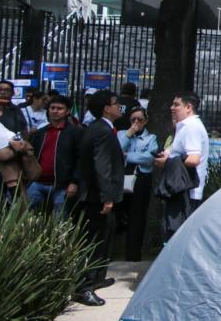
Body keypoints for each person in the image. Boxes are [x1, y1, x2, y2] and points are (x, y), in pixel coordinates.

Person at [74, 90, 125, 307]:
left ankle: (97, 278)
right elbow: (102, 165)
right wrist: (107, 197)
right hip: (98, 196)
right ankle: (83, 287)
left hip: (99, 194)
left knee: (107, 235)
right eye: (116, 103)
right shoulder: (102, 131)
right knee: (95, 240)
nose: (119, 107)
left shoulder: (100, 128)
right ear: (106, 107)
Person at [28, 95, 83, 216]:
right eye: (52, 108)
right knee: (25, 216)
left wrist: (74, 182)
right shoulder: (41, 132)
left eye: (59, 108)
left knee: (59, 221)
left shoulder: (76, 132)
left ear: (67, 111)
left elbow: (81, 159)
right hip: (38, 182)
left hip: (62, 185)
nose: (55, 111)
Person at [155, 91, 209, 212]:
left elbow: (194, 159)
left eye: (176, 105)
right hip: (181, 190)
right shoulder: (186, 126)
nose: (172, 108)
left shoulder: (191, 126)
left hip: (186, 193)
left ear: (188, 107)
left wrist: (167, 162)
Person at [116, 106, 157, 262]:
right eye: (133, 119)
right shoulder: (122, 134)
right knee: (118, 214)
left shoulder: (150, 138)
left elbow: (149, 158)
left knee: (137, 216)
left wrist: (128, 156)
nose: (136, 122)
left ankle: (133, 254)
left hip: (141, 178)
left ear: (145, 121)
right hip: (122, 178)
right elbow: (116, 150)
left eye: (140, 119)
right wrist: (129, 134)